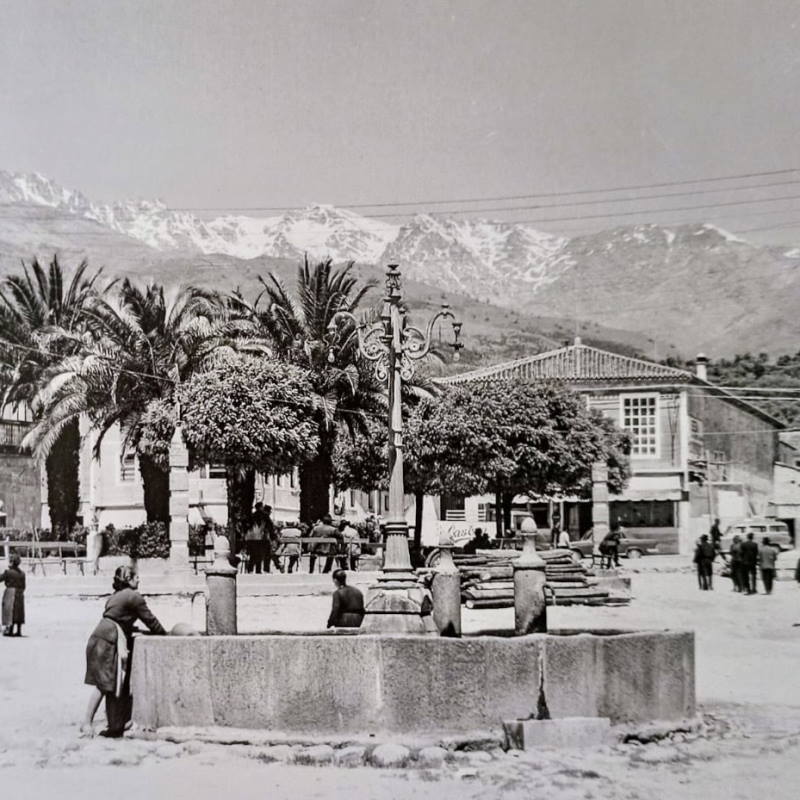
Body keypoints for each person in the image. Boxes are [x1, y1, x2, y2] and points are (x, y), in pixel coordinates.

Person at [82, 566, 166, 738]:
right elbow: (150, 620)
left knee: (112, 683)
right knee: (104, 684)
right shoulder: (134, 597)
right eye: (136, 577)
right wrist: (166, 635)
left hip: (100, 634)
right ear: (129, 579)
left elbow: (117, 618)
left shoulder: (115, 597)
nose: (139, 580)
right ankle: (86, 723)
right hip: (109, 639)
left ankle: (115, 725)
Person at [0, 552, 26, 637]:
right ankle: (19, 631)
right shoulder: (22, 573)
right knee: (19, 612)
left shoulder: (8, 572)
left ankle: (10, 630)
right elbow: (24, 586)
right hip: (20, 593)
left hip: (10, 592)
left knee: (10, 611)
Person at [261, 506, 283, 573]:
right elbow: (271, 530)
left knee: (268, 553)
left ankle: (275, 565)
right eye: (270, 511)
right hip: (266, 539)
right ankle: (267, 568)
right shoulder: (266, 518)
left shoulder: (260, 517)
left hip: (259, 538)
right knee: (268, 554)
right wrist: (274, 537)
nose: (270, 512)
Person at [244, 506, 265, 574]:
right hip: (257, 538)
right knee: (258, 554)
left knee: (253, 555)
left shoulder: (252, 517)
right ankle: (257, 570)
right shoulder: (261, 518)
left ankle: (250, 569)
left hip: (250, 538)